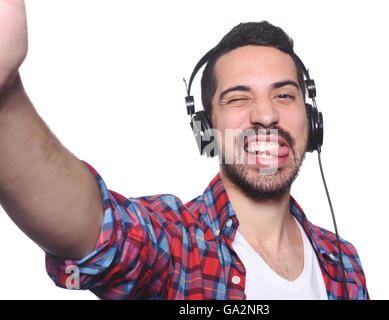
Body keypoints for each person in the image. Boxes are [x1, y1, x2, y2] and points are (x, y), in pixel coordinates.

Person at [0, 1, 368, 300]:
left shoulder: (343, 261)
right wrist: (6, 100)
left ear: (311, 119)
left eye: (284, 95)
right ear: (206, 129)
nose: (267, 115)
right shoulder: (178, 243)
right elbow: (102, 232)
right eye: (239, 98)